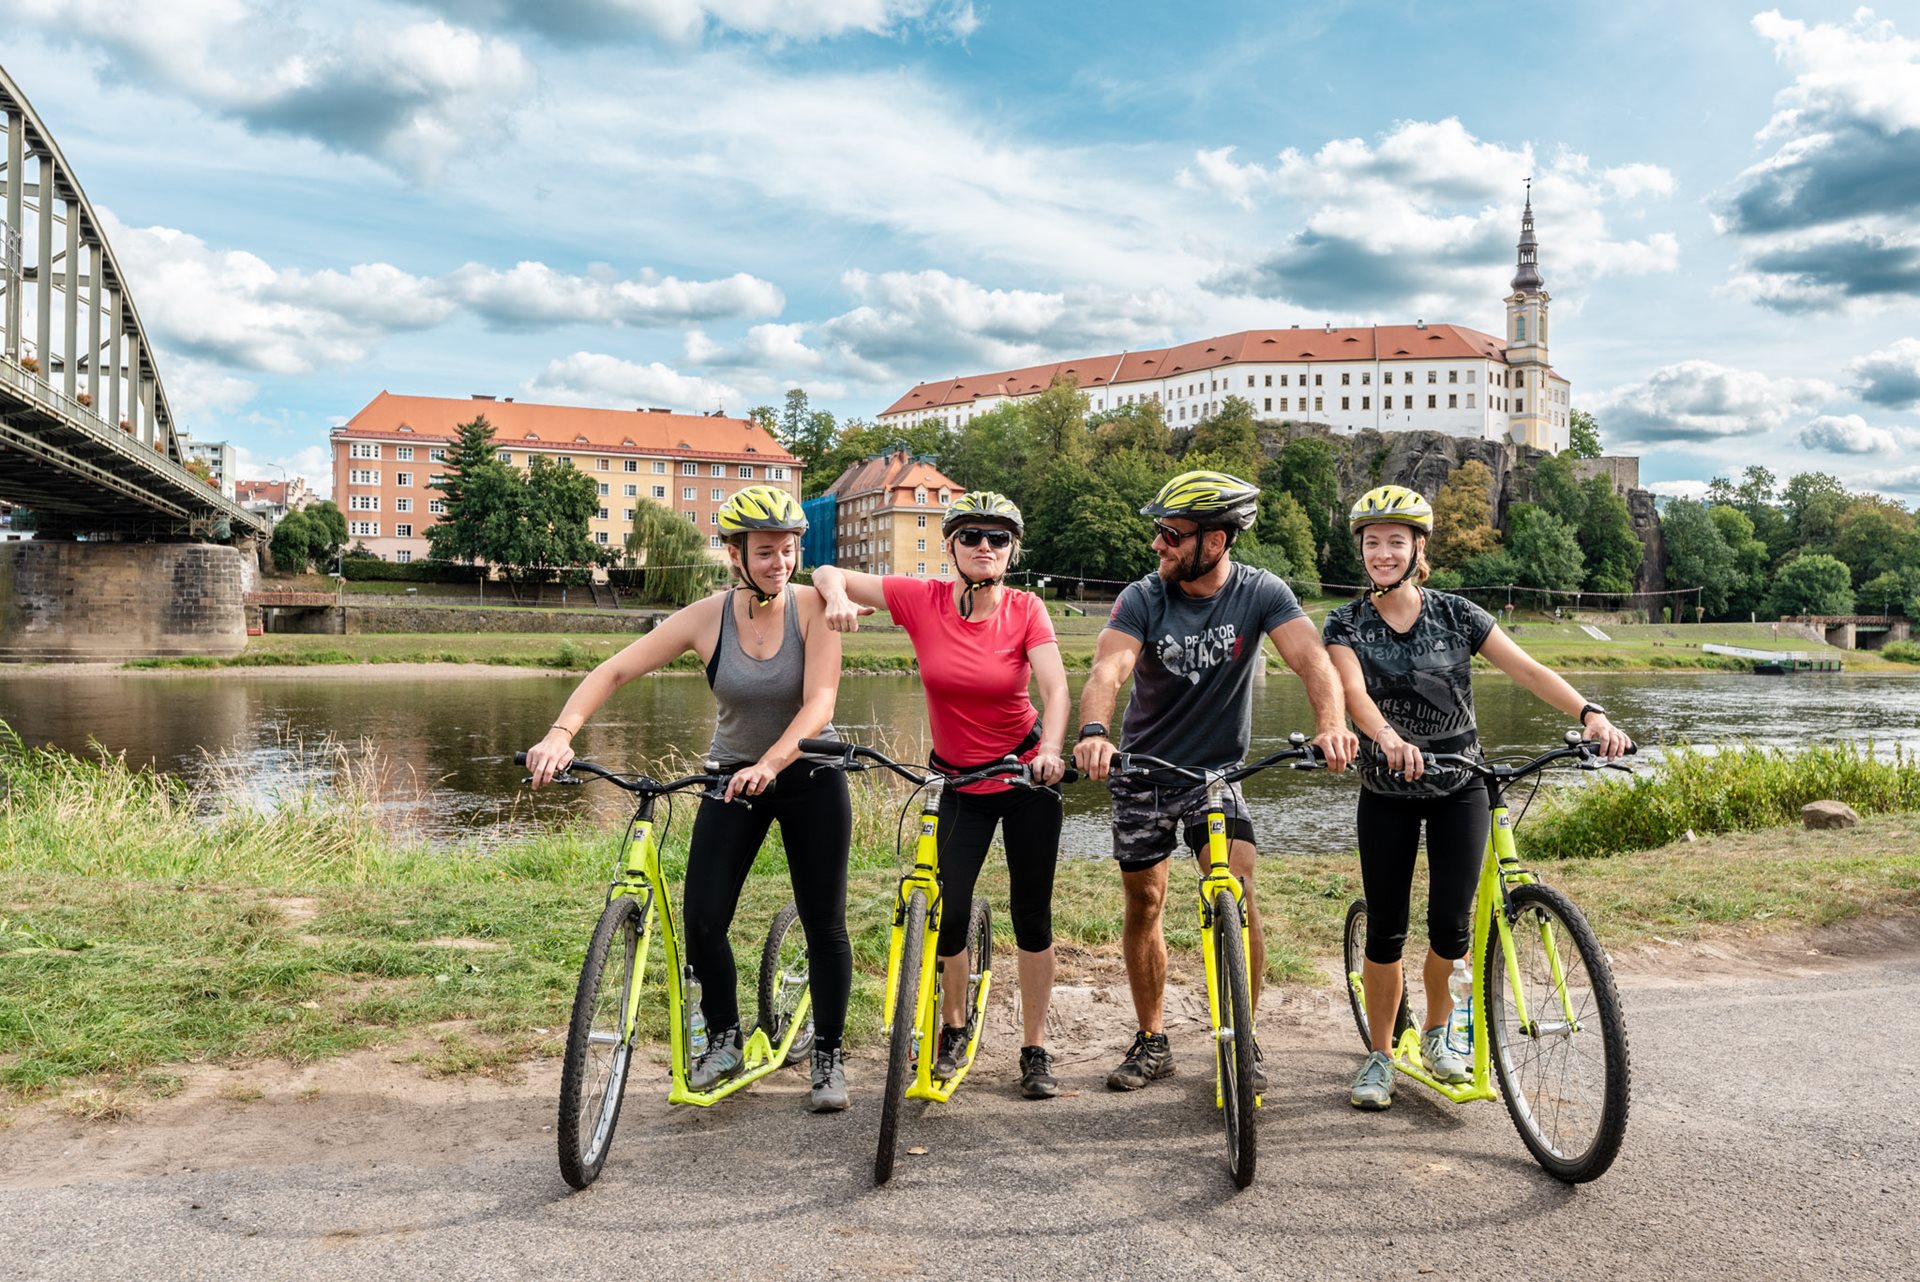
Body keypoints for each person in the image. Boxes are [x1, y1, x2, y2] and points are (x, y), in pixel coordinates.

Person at [524, 486, 855, 1112]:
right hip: (733, 775)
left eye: (787, 551)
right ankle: (725, 1037)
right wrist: (560, 733)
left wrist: (771, 763)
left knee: (824, 922)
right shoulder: (708, 616)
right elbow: (614, 670)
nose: (779, 564)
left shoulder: (814, 607)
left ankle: (830, 1057)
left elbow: (820, 705)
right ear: (734, 554)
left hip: (809, 772)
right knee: (703, 918)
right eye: (764, 553)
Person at [1324, 484, 1631, 1110]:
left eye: (1395, 542)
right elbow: (1353, 694)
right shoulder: (1344, 622)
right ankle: (1380, 1054)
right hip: (1387, 787)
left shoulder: (1457, 614)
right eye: (1373, 543)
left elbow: (1527, 670)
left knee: (1450, 929)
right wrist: (1384, 737)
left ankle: (1438, 1035)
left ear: (1418, 549)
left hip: (1461, 782)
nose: (1383, 554)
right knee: (1385, 932)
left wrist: (1590, 713)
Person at [1072, 470, 1358, 1093]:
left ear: (1218, 540)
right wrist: (1094, 730)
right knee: (1145, 904)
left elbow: (1312, 660)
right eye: (1159, 531)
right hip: (1145, 771)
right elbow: (1108, 668)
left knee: (1240, 893)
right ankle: (1152, 1041)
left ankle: (1241, 1035)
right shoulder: (1143, 597)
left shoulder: (1262, 593)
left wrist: (1331, 724)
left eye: (1172, 534)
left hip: (1218, 775)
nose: (1158, 545)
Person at [815, 491, 1071, 1100]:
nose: (985, 547)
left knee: (1031, 915)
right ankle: (953, 1025)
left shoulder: (1027, 609)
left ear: (1013, 550)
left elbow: (1056, 690)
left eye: (998, 538)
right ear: (951, 544)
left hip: (1025, 776)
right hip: (957, 780)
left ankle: (1034, 1047)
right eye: (972, 536)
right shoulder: (922, 599)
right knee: (947, 911)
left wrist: (1053, 752)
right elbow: (825, 569)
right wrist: (836, 598)